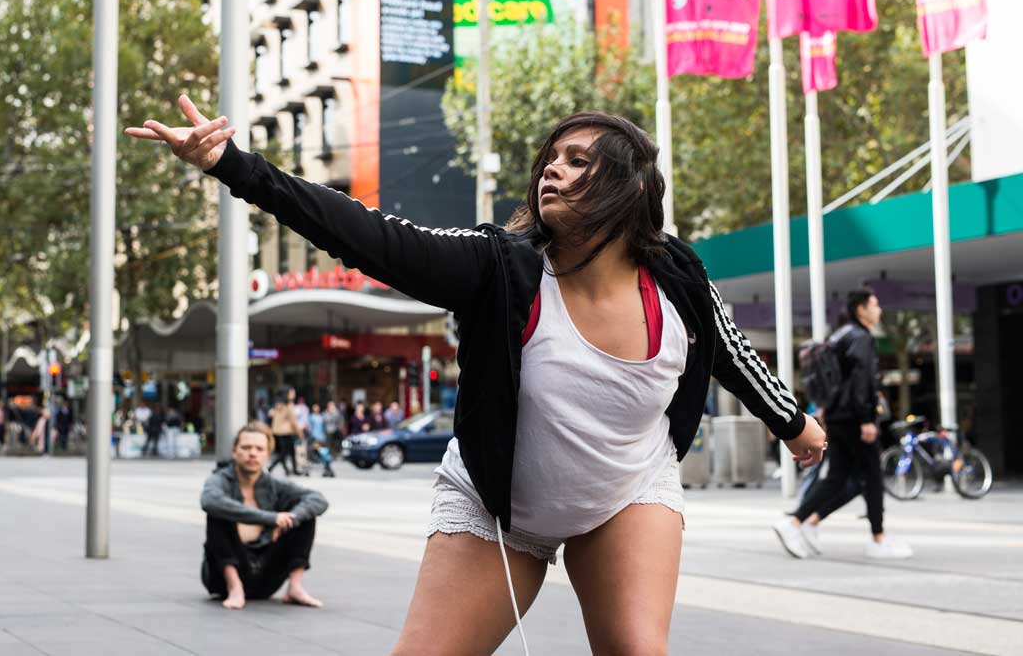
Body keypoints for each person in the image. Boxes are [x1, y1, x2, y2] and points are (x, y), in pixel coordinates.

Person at [129, 97, 825, 654]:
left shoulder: (676, 272)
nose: (552, 168)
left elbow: (731, 349)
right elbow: (369, 233)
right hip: (500, 508)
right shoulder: (502, 265)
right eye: (550, 158)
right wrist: (235, 165)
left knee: (638, 648)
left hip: (626, 493)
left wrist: (793, 421)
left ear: (629, 185)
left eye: (578, 160)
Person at [775, 290, 912, 560]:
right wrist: (867, 419)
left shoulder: (840, 335)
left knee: (838, 477)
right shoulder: (860, 338)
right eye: (874, 304)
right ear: (860, 309)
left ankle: (801, 522)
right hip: (854, 419)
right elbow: (862, 381)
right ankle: (877, 539)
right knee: (872, 477)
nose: (879, 309)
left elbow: (836, 380)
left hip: (838, 417)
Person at [200, 421, 328, 609]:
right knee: (217, 513)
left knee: (303, 514)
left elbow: (318, 500)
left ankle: (295, 586)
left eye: (259, 449)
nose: (253, 453)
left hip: (265, 575)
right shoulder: (220, 480)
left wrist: (291, 518)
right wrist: (272, 518)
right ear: (235, 452)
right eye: (246, 447)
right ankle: (235, 587)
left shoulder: (275, 486)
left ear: (267, 454)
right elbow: (210, 501)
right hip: (222, 577)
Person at [268, 394, 301, 476]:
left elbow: (270, 415)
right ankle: (273, 466)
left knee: (283, 452)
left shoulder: (276, 409)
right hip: (286, 433)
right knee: (287, 453)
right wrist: (299, 432)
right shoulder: (287, 408)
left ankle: (288, 469)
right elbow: (293, 421)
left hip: (276, 433)